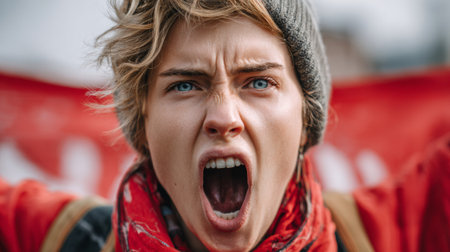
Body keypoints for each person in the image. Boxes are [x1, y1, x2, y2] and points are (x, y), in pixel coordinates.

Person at [0, 0, 448, 251]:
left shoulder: (384, 234)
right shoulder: (61, 240)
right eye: (185, 86)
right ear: (144, 125)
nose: (224, 118)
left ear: (305, 116)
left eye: (258, 81)